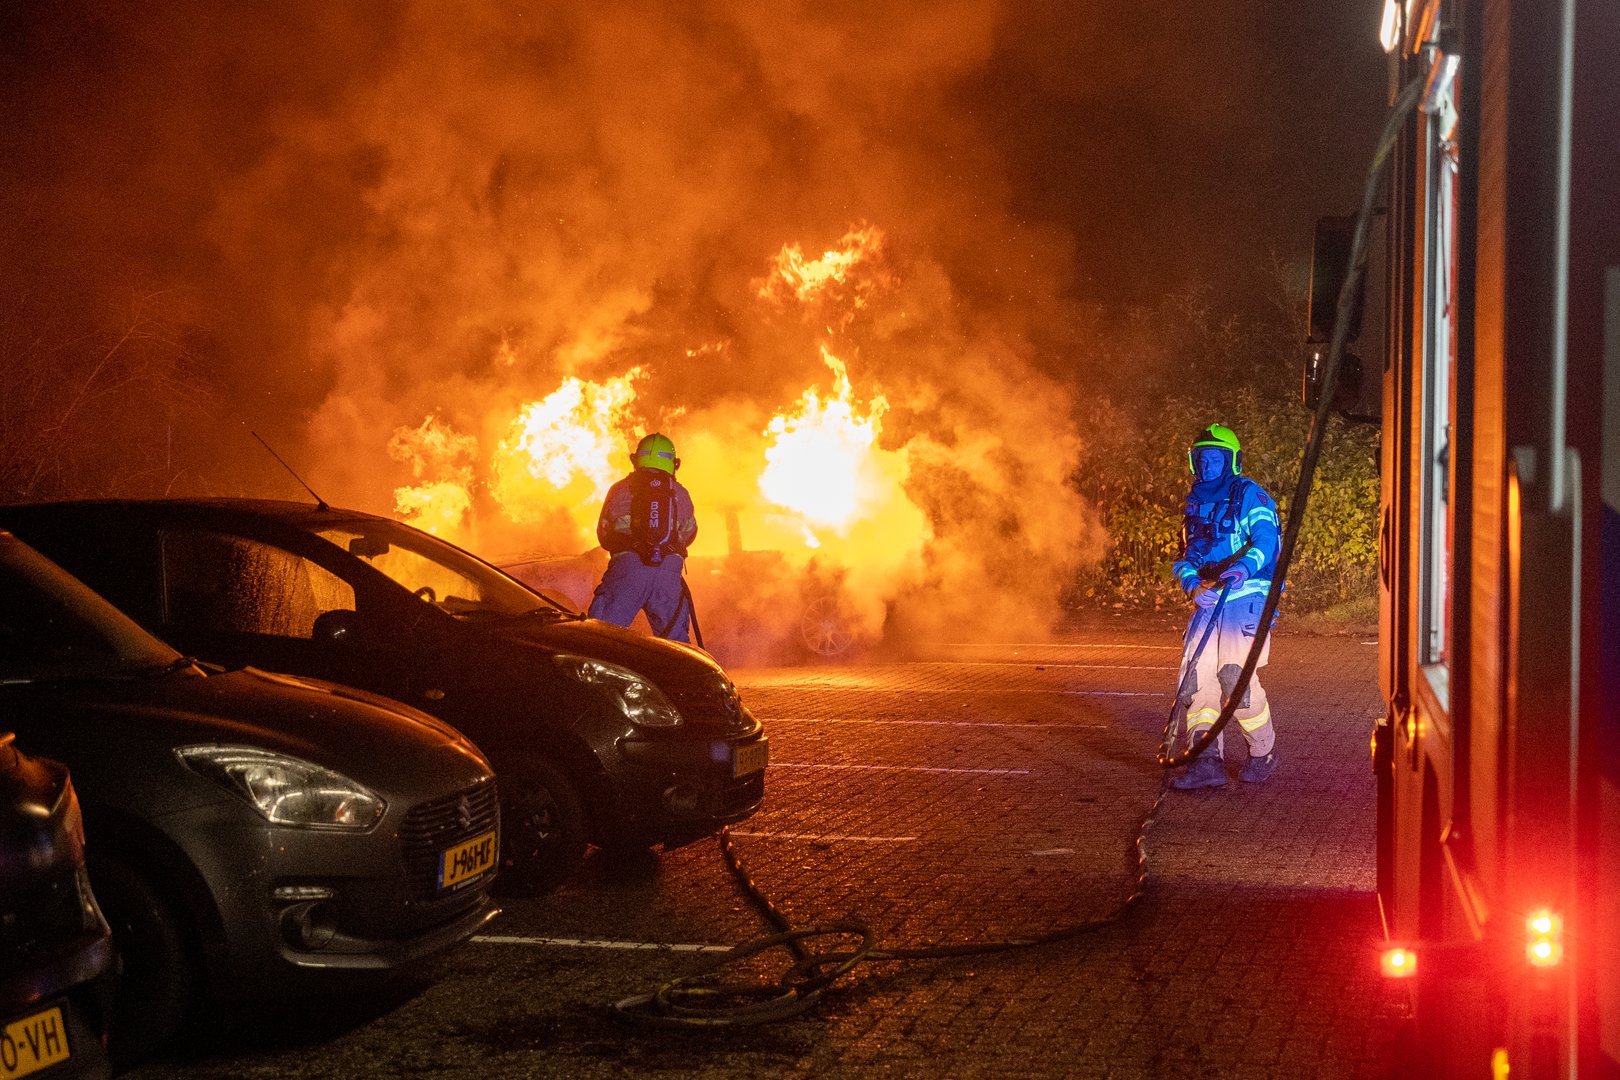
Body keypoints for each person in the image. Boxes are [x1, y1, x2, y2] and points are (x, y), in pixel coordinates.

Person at [1168, 423, 1280, 789]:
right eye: (1203, 458)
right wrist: (1192, 585)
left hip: (1247, 594)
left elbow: (1269, 540)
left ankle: (1262, 752)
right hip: (1209, 597)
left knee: (1234, 676)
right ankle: (1205, 762)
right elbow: (1184, 556)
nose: (1208, 465)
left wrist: (1242, 568)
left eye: (1216, 458)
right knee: (1196, 679)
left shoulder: (1249, 495)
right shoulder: (1195, 502)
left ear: (1231, 460)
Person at [587, 432, 699, 642]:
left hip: (627, 571)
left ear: (636, 459)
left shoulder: (620, 489)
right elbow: (690, 532)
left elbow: (604, 533)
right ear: (673, 463)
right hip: (668, 573)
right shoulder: (679, 492)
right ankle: (679, 675)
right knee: (677, 646)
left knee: (600, 637)